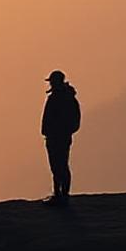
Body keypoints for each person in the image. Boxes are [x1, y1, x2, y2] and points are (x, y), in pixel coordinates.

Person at [41, 70, 80, 202]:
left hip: (58, 138)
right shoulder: (67, 98)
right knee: (58, 165)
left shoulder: (62, 98)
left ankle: (61, 195)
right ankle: (60, 193)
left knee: (59, 165)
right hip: (56, 137)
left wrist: (62, 132)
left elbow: (74, 120)